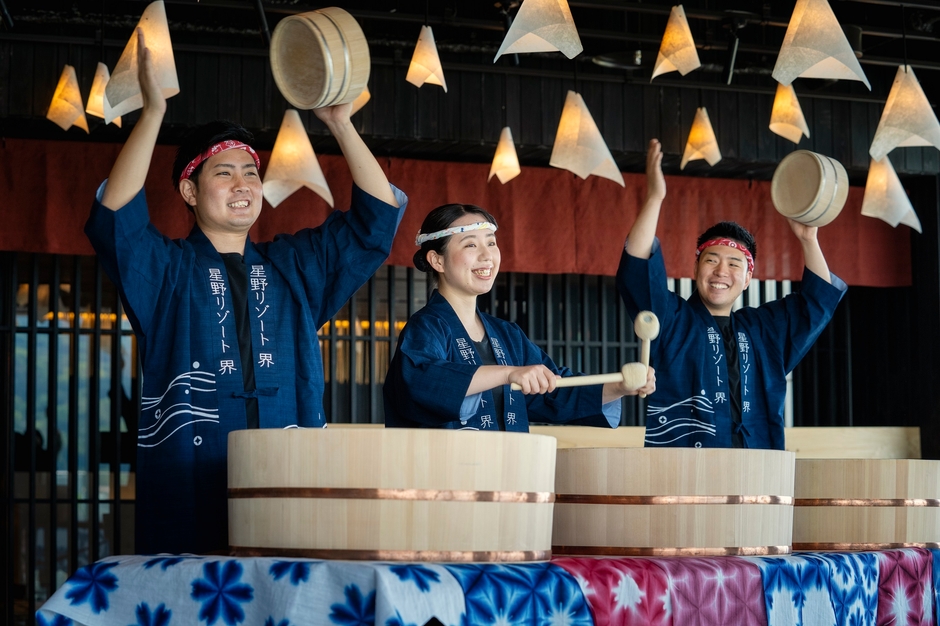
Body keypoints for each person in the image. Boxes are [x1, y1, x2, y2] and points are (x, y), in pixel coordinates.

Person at [84, 31, 406, 554]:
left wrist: (340, 123)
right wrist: (152, 116)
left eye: (251, 173)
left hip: (290, 481)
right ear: (189, 190)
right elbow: (116, 220)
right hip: (191, 483)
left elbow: (375, 225)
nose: (242, 184)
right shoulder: (167, 270)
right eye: (224, 173)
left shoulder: (294, 268)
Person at [617, 139, 847, 450]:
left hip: (757, 472)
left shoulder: (763, 331)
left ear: (748, 277)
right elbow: (639, 266)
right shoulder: (673, 321)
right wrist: (655, 198)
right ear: (696, 268)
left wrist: (808, 238)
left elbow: (816, 303)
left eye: (734, 263)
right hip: (685, 474)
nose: (721, 271)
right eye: (711, 260)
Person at [384, 203, 655, 430]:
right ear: (437, 261)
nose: (487, 255)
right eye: (470, 245)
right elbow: (421, 382)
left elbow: (553, 390)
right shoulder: (426, 327)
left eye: (491, 243)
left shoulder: (507, 335)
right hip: (449, 482)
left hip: (510, 475)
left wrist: (619, 385)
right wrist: (509, 373)